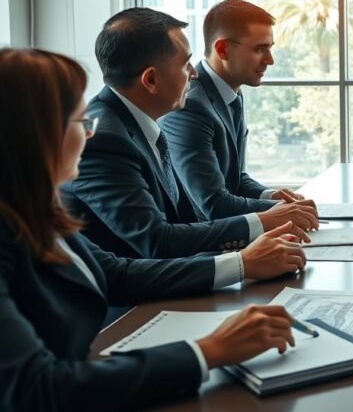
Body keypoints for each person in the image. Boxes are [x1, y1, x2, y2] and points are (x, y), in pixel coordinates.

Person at [0, 48, 306, 410]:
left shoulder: (33, 207)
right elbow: (35, 389)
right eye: (80, 122)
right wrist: (208, 351)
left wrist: (242, 264)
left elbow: (114, 272)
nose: (89, 133)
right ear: (36, 135)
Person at [60, 8, 318, 259]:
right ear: (150, 80)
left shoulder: (138, 123)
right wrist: (254, 238)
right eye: (185, 65)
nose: (193, 74)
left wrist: (258, 238)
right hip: (135, 299)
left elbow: (183, 219)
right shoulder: (104, 140)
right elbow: (157, 241)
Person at [161, 0, 310, 218]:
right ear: (222, 49)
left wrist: (271, 196)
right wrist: (284, 211)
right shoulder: (190, 106)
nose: (270, 60)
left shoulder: (231, 93)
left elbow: (234, 179)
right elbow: (212, 204)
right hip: (204, 243)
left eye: (270, 48)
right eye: (260, 49)